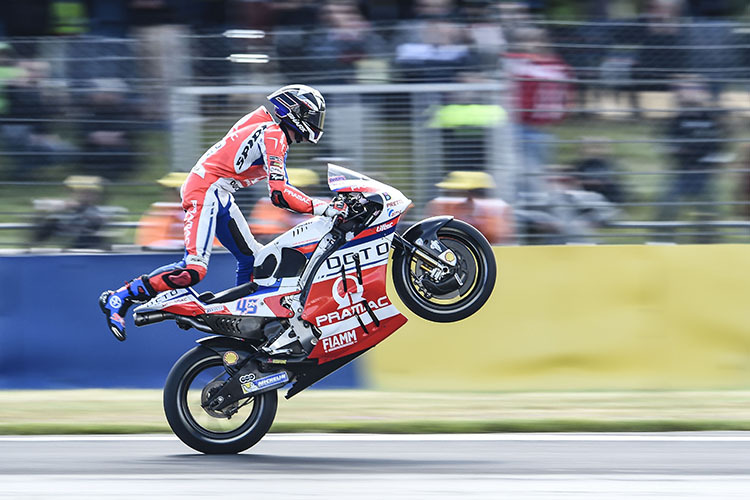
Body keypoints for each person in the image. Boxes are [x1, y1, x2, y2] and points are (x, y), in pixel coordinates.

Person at [99, 84, 344, 341]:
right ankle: (120, 296)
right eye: (313, 116)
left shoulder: (265, 124)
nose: (316, 124)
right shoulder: (274, 135)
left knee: (253, 259)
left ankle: (244, 321)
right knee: (193, 270)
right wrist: (326, 208)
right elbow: (279, 193)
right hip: (206, 190)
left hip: (219, 193)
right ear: (297, 112)